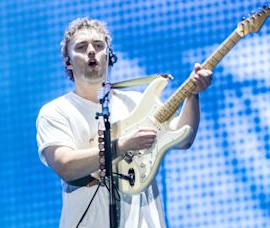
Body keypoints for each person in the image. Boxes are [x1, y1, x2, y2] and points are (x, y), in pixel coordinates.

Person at [36, 18, 212, 228]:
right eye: (81, 47)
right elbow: (65, 165)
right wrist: (121, 146)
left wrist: (192, 94)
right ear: (68, 61)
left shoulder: (137, 102)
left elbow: (184, 139)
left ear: (108, 55)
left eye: (99, 45)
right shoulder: (56, 111)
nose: (91, 51)